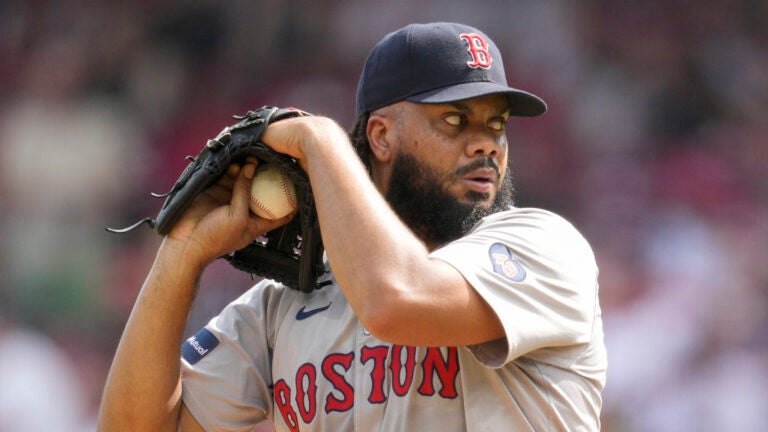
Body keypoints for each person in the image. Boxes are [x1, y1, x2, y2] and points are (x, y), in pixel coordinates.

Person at [98, 22, 606, 431]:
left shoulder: (544, 248)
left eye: (496, 125)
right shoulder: (284, 305)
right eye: (455, 121)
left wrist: (319, 139)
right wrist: (181, 255)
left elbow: (395, 300)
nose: (486, 145)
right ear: (381, 136)